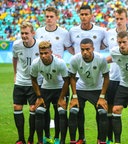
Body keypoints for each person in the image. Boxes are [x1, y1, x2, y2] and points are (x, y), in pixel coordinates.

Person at [103, 8, 128, 144]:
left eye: (121, 19)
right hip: (113, 78)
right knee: (111, 108)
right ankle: (110, 139)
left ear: (127, 19)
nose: (118, 21)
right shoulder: (108, 34)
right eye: (116, 18)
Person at [35, 6, 72, 144]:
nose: (49, 19)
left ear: (57, 17)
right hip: (43, 78)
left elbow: (70, 48)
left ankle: (57, 137)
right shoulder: (39, 32)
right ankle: (46, 136)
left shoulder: (63, 33)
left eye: (51, 16)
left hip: (59, 78)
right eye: (47, 16)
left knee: (59, 111)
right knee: (43, 109)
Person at [68, 38, 109, 144]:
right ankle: (79, 139)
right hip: (81, 88)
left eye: (87, 49)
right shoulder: (75, 59)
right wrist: (74, 97)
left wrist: (102, 97)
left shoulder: (100, 59)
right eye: (82, 49)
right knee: (74, 111)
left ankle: (101, 140)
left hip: (97, 89)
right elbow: (72, 77)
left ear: (93, 48)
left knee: (102, 112)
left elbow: (106, 77)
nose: (85, 52)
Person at [30, 41, 70, 144]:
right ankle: (41, 141)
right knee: (39, 112)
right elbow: (33, 79)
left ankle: (60, 140)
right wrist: (39, 96)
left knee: (61, 112)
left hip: (60, 88)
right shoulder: (35, 63)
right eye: (41, 53)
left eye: (46, 53)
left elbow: (67, 80)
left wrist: (61, 98)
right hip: (46, 88)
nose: (43, 56)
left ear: (51, 52)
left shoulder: (60, 62)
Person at [12, 21, 40, 144]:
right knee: (17, 107)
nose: (24, 36)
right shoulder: (16, 45)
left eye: (26, 33)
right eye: (22, 33)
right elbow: (14, 58)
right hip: (20, 82)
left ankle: (30, 139)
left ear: (33, 33)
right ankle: (21, 139)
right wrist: (15, 74)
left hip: (34, 83)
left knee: (33, 109)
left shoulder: (40, 45)